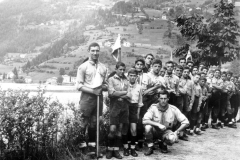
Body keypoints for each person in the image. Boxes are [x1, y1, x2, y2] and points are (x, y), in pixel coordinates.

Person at [76, 42, 108, 158]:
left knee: (94, 123)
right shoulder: (83, 67)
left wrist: (102, 88)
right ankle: (82, 149)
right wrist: (93, 91)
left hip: (98, 98)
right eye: (93, 50)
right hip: (87, 98)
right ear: (89, 51)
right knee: (83, 123)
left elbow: (105, 84)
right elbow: (79, 86)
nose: (95, 53)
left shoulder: (103, 67)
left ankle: (93, 149)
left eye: (97, 51)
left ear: (99, 51)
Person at [143, 89, 189, 155]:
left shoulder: (173, 109)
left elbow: (186, 122)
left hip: (166, 131)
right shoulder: (153, 108)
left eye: (165, 98)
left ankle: (163, 144)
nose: (163, 101)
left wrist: (176, 132)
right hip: (154, 130)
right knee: (147, 127)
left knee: (172, 138)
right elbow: (144, 120)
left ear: (168, 99)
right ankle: (150, 147)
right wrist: (158, 125)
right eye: (161, 98)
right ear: (158, 99)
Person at [107, 62, 130, 159]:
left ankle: (116, 150)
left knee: (119, 130)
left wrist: (119, 94)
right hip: (114, 106)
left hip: (124, 107)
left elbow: (130, 95)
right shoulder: (111, 79)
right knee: (112, 129)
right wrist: (125, 93)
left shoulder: (127, 80)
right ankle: (109, 150)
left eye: (123, 70)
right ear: (116, 69)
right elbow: (111, 93)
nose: (122, 71)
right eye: (120, 69)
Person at [123, 68, 143, 157]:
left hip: (134, 108)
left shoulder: (139, 87)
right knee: (125, 128)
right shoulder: (124, 85)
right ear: (128, 76)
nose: (132, 77)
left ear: (137, 77)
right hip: (125, 107)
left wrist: (138, 113)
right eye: (131, 76)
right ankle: (126, 148)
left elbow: (140, 102)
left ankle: (133, 148)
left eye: (134, 76)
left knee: (133, 129)